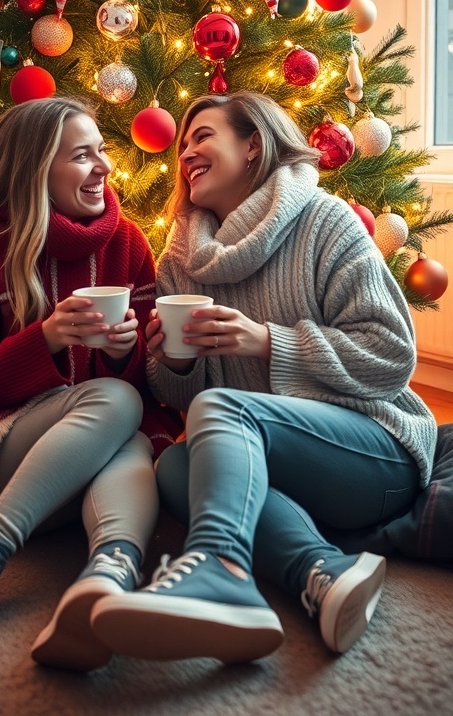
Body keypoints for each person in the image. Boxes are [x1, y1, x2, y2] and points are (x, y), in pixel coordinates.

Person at [90, 91, 438, 665]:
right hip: (274, 454)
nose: (187, 153)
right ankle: (321, 572)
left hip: (377, 450)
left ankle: (216, 564)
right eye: (182, 145)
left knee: (224, 412)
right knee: (176, 464)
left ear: (253, 144)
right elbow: (185, 400)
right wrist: (175, 364)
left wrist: (267, 341)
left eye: (203, 135)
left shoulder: (324, 221)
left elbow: (392, 354)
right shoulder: (182, 258)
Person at [0, 95, 181, 671]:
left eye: (101, 150)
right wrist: (48, 338)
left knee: (124, 420)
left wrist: (129, 351)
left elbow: (149, 395)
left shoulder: (127, 243)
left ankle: (107, 578)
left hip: (82, 454)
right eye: (82, 155)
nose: (104, 166)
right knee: (115, 403)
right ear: (33, 168)